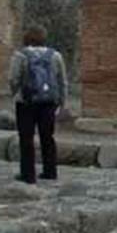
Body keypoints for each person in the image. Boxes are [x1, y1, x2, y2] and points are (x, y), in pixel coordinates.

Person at [9, 25, 68, 184]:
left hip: (26, 102)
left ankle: (28, 174)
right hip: (48, 102)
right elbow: (62, 80)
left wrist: (15, 93)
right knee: (47, 137)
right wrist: (62, 102)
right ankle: (50, 171)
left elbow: (14, 78)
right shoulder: (55, 55)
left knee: (26, 138)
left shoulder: (20, 55)